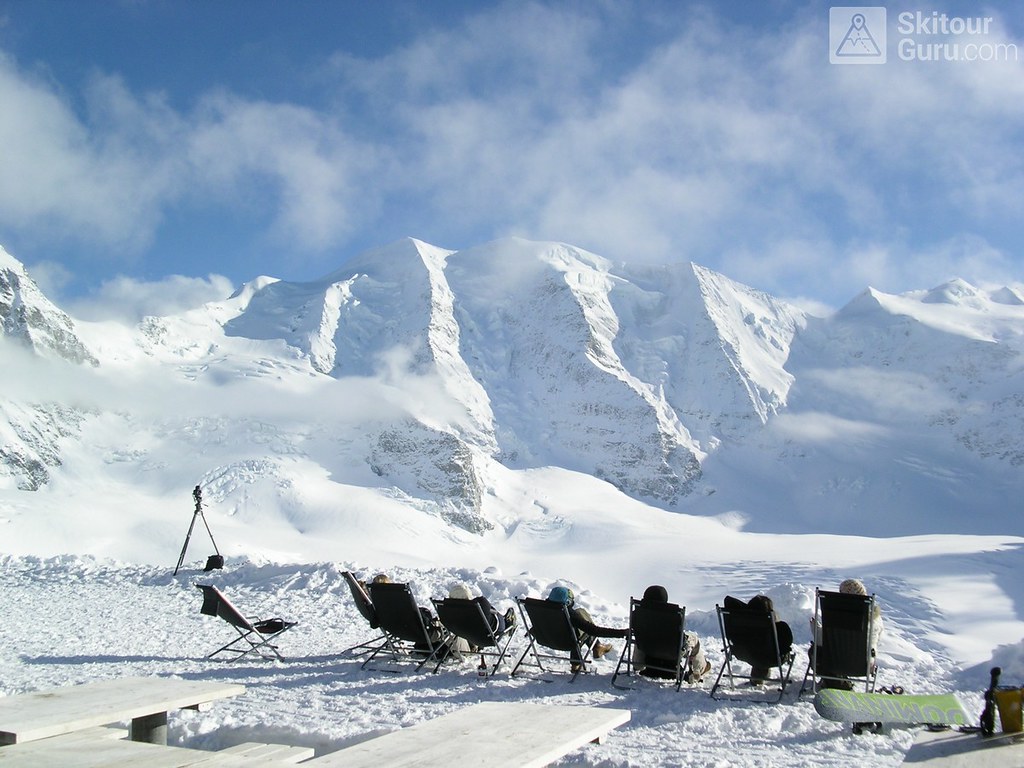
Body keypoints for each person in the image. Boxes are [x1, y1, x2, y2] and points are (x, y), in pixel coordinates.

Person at [809, 578, 883, 689]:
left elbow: (823, 640)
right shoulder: (876, 619)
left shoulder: (838, 616)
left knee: (816, 651)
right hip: (864, 664)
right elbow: (876, 641)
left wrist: (815, 628)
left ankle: (836, 682)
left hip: (834, 662)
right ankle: (839, 681)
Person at [633, 585, 712, 684]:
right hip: (671, 650)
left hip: (647, 647)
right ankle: (699, 669)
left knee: (640, 634)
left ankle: (637, 663)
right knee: (693, 638)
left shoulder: (639, 612)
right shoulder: (671, 614)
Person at [722, 593, 793, 686]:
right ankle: (759, 677)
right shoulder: (779, 628)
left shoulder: (739, 623)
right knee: (765, 650)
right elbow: (787, 642)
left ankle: (757, 678)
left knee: (756, 649)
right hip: (770, 657)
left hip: (743, 654)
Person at [546, 585, 626, 659]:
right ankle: (593, 649)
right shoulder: (570, 615)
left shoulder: (540, 609)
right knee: (580, 631)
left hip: (545, 638)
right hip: (566, 643)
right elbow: (594, 630)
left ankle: (596, 648)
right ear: (568, 602)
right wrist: (622, 633)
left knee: (580, 612)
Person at [447, 582, 517, 636]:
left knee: (490, 613)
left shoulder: (446, 610)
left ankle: (505, 620)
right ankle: (507, 622)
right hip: (484, 637)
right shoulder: (475, 608)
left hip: (465, 634)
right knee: (491, 613)